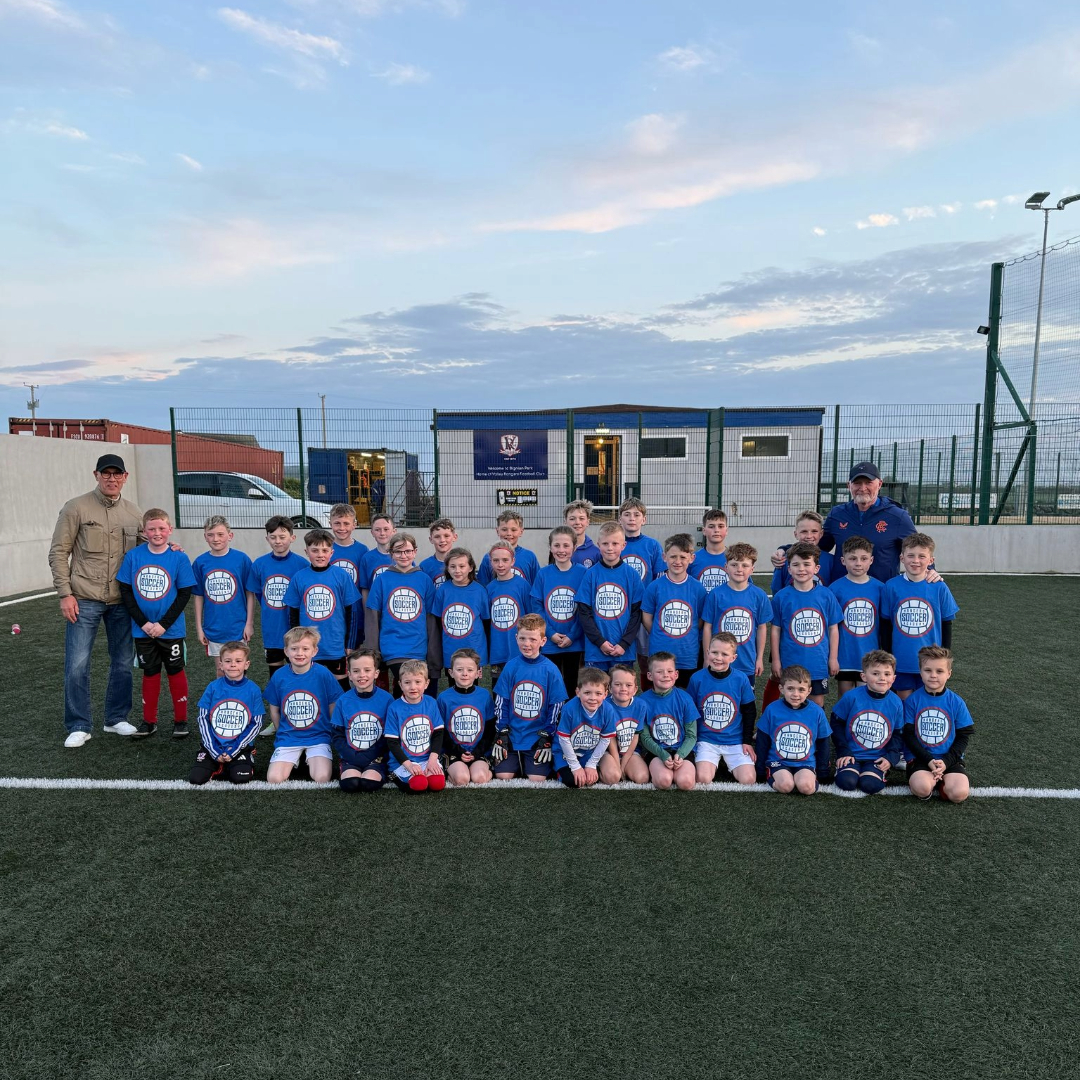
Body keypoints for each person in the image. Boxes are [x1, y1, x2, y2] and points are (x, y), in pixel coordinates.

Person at [50, 453, 146, 747]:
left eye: (117, 474)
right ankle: (79, 725)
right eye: (106, 473)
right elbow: (58, 552)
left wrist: (170, 548)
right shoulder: (76, 507)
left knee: (122, 662)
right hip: (84, 598)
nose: (111, 479)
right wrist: (65, 594)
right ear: (96, 475)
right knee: (77, 664)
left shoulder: (134, 513)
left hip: (121, 601)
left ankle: (116, 718)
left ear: (125, 478)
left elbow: (147, 551)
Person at [116, 508, 196, 739]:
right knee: (149, 672)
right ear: (144, 531)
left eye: (162, 528)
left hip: (171, 630)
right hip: (142, 631)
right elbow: (126, 591)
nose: (157, 533)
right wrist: (143, 623)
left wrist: (163, 624)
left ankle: (180, 720)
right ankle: (149, 722)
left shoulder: (179, 557)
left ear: (170, 529)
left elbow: (184, 593)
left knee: (175, 670)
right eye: (152, 529)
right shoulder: (133, 556)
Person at [880, 533, 959, 700]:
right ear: (902, 558)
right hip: (902, 660)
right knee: (905, 702)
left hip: (931, 662)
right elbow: (886, 625)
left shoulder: (939, 587)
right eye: (911, 555)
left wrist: (944, 657)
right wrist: (887, 656)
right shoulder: (891, 586)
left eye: (922, 556)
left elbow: (947, 623)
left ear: (931, 560)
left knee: (927, 702)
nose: (915, 560)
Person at [491, 614, 567, 782]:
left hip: (537, 736)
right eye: (522, 638)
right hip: (512, 734)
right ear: (516, 638)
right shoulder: (511, 666)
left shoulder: (551, 670)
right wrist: (502, 731)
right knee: (503, 776)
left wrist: (547, 735)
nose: (527, 644)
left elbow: (556, 706)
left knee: (537, 778)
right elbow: (501, 701)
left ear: (543, 641)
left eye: (533, 639)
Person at [248, 516, 309, 729]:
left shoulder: (302, 564)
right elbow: (257, 595)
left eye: (282, 536)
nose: (278, 541)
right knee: (276, 675)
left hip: (296, 631)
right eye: (273, 537)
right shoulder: (260, 564)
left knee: (299, 673)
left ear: (292, 537)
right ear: (267, 538)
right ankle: (277, 721)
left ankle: (301, 718)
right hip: (272, 630)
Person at [284, 528, 361, 692]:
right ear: (306, 552)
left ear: (332, 552)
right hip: (307, 645)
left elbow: (352, 612)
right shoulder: (299, 577)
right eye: (315, 550)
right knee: (310, 686)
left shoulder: (341, 576)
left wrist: (350, 642)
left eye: (325, 550)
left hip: (335, 644)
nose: (320, 555)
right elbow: (293, 614)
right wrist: (296, 643)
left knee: (341, 686)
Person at [264, 626, 344, 784]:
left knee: (322, 778)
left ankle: (308, 759)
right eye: (294, 649)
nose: (299, 653)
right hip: (289, 737)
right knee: (274, 778)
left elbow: (333, 705)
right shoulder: (279, 675)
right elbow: (274, 709)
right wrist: (281, 731)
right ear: (286, 651)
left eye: (305, 649)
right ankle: (298, 758)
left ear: (314, 651)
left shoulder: (323, 674)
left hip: (318, 736)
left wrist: (330, 730)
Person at [818, 462, 918, 583]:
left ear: (879, 484)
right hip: (843, 591)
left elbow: (918, 548)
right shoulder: (836, 515)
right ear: (849, 485)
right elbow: (819, 548)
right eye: (857, 483)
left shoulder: (898, 516)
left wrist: (929, 570)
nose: (862, 488)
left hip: (882, 590)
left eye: (868, 483)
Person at [770, 542, 841, 708]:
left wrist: (833, 658)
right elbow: (775, 630)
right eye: (796, 565)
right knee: (791, 701)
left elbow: (833, 629)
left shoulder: (826, 595)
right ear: (789, 569)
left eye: (806, 564)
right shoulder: (781, 597)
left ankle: (815, 727)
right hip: (790, 661)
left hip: (818, 662)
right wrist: (776, 660)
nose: (801, 569)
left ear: (816, 568)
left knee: (817, 702)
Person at [365, 532, 438, 694]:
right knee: (407, 686)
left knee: (413, 691)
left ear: (415, 552)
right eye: (398, 551)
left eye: (407, 551)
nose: (403, 555)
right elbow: (373, 618)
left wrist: (433, 653)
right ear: (391, 554)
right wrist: (372, 653)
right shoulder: (382, 580)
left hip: (418, 648)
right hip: (393, 647)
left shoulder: (424, 579)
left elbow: (431, 620)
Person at [903, 646, 973, 803]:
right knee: (922, 788)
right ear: (920, 672)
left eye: (939, 671)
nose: (933, 675)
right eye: (928, 670)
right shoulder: (912, 701)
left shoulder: (956, 702)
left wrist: (947, 762)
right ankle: (931, 781)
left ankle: (942, 783)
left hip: (949, 759)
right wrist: (929, 760)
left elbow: (963, 737)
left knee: (959, 794)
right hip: (921, 758)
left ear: (949, 674)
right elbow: (908, 735)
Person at [189, 641, 263, 785]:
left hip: (239, 746)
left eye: (238, 661)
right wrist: (213, 750)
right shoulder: (213, 687)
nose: (233, 665)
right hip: (213, 745)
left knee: (240, 778)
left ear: (246, 664)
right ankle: (218, 763)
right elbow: (203, 719)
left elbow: (256, 723)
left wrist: (234, 750)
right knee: (196, 778)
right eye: (228, 661)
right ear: (221, 665)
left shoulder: (253, 690)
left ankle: (237, 761)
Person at [574, 521, 645, 673]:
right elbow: (584, 613)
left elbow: (636, 613)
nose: (610, 548)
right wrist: (600, 642)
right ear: (598, 544)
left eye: (615, 543)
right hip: (596, 651)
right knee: (596, 688)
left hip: (623, 651)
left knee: (620, 687)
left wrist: (624, 643)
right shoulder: (591, 574)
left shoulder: (632, 575)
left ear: (623, 545)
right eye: (605, 543)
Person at [830, 650, 904, 794]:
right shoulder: (851, 697)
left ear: (894, 678)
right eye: (875, 673)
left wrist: (890, 758)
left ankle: (878, 772)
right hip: (852, 754)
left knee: (870, 785)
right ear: (863, 676)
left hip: (877, 758)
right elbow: (836, 724)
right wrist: (843, 750)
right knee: (847, 782)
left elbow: (898, 733)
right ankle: (844, 768)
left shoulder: (896, 702)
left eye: (887, 674)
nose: (882, 678)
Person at [688, 633, 758, 786]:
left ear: (733, 658)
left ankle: (728, 765)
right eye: (714, 652)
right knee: (703, 779)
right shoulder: (697, 678)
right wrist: (691, 740)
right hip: (706, 739)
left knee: (748, 779)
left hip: (734, 740)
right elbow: (690, 713)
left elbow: (749, 711)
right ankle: (712, 764)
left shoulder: (741, 679)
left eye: (724, 654)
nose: (718, 658)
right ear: (707, 652)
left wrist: (746, 741)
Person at [701, 542, 772, 687]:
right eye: (734, 565)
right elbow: (707, 627)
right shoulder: (715, 594)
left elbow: (762, 628)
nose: (739, 569)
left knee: (745, 698)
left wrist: (759, 658)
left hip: (746, 660)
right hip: (719, 661)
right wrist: (707, 657)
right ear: (726, 567)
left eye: (745, 565)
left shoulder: (759, 595)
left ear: (752, 569)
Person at [192, 515, 255, 679]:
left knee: (239, 670)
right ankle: (222, 696)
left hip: (238, 627)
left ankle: (240, 696)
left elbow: (250, 593)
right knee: (221, 670)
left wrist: (249, 623)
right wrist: (199, 628)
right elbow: (198, 596)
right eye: (211, 535)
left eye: (220, 534)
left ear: (230, 535)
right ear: (205, 536)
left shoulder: (242, 560)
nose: (216, 539)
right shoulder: (200, 562)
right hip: (214, 628)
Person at [641, 533, 707, 689]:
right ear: (664, 557)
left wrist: (687, 631)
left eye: (683, 557)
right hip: (660, 653)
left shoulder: (698, 588)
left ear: (692, 558)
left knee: (687, 696)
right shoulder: (655, 587)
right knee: (660, 694)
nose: (678, 561)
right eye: (673, 557)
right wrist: (660, 632)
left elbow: (700, 620)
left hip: (687, 654)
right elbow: (646, 618)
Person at [755, 665, 831, 795]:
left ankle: (809, 778)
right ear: (781, 689)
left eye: (801, 689)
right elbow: (762, 741)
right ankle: (772, 774)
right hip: (778, 761)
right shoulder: (772, 709)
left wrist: (823, 770)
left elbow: (824, 741)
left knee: (806, 788)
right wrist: (760, 769)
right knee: (786, 786)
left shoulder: (817, 712)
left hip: (805, 762)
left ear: (809, 691)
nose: (795, 694)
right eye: (790, 689)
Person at [531, 525, 586, 693]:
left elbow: (585, 609)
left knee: (572, 683)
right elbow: (537, 606)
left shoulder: (583, 573)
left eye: (566, 545)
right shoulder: (543, 574)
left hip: (574, 642)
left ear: (574, 547)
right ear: (550, 547)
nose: (561, 550)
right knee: (550, 684)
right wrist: (550, 633)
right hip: (549, 641)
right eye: (557, 545)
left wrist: (572, 635)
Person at [330, 647, 394, 794]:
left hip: (377, 756)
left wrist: (369, 755)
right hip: (351, 756)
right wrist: (351, 756)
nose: (362, 675)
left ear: (376, 673)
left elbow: (389, 735)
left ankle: (380, 770)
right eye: (356, 671)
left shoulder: (387, 700)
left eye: (367, 670)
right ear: (349, 675)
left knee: (368, 784)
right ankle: (347, 766)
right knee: (350, 784)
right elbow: (337, 735)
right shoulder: (343, 700)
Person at [829, 536, 885, 698]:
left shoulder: (880, 588)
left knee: (866, 699)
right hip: (845, 656)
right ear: (843, 560)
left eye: (863, 558)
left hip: (870, 656)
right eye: (853, 558)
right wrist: (833, 656)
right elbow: (831, 626)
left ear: (871, 560)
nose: (858, 563)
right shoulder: (834, 589)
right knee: (845, 699)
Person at [637, 652, 699, 790]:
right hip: (656, 752)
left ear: (676, 674)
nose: (665, 675)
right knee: (664, 781)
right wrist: (662, 754)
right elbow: (645, 737)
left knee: (686, 783)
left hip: (681, 750)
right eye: (659, 672)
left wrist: (680, 755)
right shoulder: (642, 701)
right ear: (650, 676)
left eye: (670, 671)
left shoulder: (685, 698)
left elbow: (691, 735)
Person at [552, 667, 621, 788]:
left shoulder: (608, 710)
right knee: (574, 782)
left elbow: (605, 739)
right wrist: (575, 766)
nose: (593, 698)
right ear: (578, 692)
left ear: (605, 694)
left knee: (606, 778)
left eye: (598, 693)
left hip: (589, 752)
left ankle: (590, 767)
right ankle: (556, 769)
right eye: (587, 693)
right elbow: (563, 739)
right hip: (565, 752)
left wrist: (592, 764)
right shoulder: (569, 708)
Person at [384, 659, 446, 792]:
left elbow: (438, 733)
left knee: (437, 784)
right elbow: (392, 742)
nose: (413, 687)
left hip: (426, 758)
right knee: (419, 785)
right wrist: (409, 765)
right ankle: (393, 774)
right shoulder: (394, 708)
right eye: (407, 682)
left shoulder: (431, 703)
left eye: (418, 682)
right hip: (404, 761)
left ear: (426, 683)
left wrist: (432, 760)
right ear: (400, 684)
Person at [438, 648, 496, 787]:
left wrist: (478, 751)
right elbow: (440, 731)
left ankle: (488, 770)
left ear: (478, 673)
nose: (465, 674)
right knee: (461, 779)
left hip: (477, 750)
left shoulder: (484, 696)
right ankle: (451, 771)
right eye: (459, 670)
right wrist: (458, 751)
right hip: (453, 751)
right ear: (451, 672)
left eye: (470, 670)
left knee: (479, 778)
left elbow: (490, 729)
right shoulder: (443, 698)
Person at [432, 547, 490, 674]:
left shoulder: (480, 590)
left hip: (474, 648)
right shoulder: (443, 590)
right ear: (447, 568)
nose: (457, 570)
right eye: (453, 566)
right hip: (450, 648)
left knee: (472, 682)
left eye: (462, 566)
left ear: (470, 568)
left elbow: (486, 621)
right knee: (453, 681)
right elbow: (438, 621)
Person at [485, 541, 532, 678]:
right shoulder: (489, 588)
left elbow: (530, 617)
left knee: (520, 684)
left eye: (505, 560)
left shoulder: (523, 585)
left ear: (513, 561)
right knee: (499, 687)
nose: (500, 564)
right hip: (498, 651)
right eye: (496, 560)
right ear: (491, 562)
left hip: (519, 648)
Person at [329, 503, 369, 652]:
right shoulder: (325, 549)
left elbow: (364, 586)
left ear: (354, 525)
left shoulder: (362, 550)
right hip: (332, 613)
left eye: (346, 523)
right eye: (337, 523)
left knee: (353, 653)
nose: (342, 528)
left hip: (355, 613)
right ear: (330, 524)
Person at [770, 511, 835, 593]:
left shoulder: (831, 561)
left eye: (814, 531)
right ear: (796, 534)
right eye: (804, 531)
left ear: (821, 534)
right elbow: (776, 589)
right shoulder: (783, 560)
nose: (809, 536)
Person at [606, 663, 650, 784]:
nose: (623, 688)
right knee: (613, 777)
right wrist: (617, 765)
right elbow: (610, 739)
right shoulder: (605, 706)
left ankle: (625, 766)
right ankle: (602, 768)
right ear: (610, 688)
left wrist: (623, 764)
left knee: (642, 778)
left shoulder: (640, 705)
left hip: (630, 751)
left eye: (628, 685)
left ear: (635, 689)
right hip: (608, 751)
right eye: (618, 684)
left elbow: (636, 737)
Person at [476, 509, 540, 586]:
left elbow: (538, 585)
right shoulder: (488, 558)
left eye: (513, 530)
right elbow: (482, 587)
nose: (509, 533)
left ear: (521, 531)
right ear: (497, 531)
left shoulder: (529, 557)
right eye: (504, 529)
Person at [690, 508, 730, 593]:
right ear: (704, 531)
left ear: (726, 530)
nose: (716, 530)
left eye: (720, 526)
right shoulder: (692, 559)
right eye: (711, 526)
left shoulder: (735, 559)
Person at [419, 517, 458, 588]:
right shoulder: (425, 566)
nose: (442, 540)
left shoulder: (462, 564)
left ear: (454, 537)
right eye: (437, 537)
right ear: (431, 539)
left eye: (446, 536)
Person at [561, 499, 600, 568]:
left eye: (581, 518)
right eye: (572, 519)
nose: (577, 522)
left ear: (587, 522)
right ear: (565, 522)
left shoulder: (596, 552)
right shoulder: (558, 550)